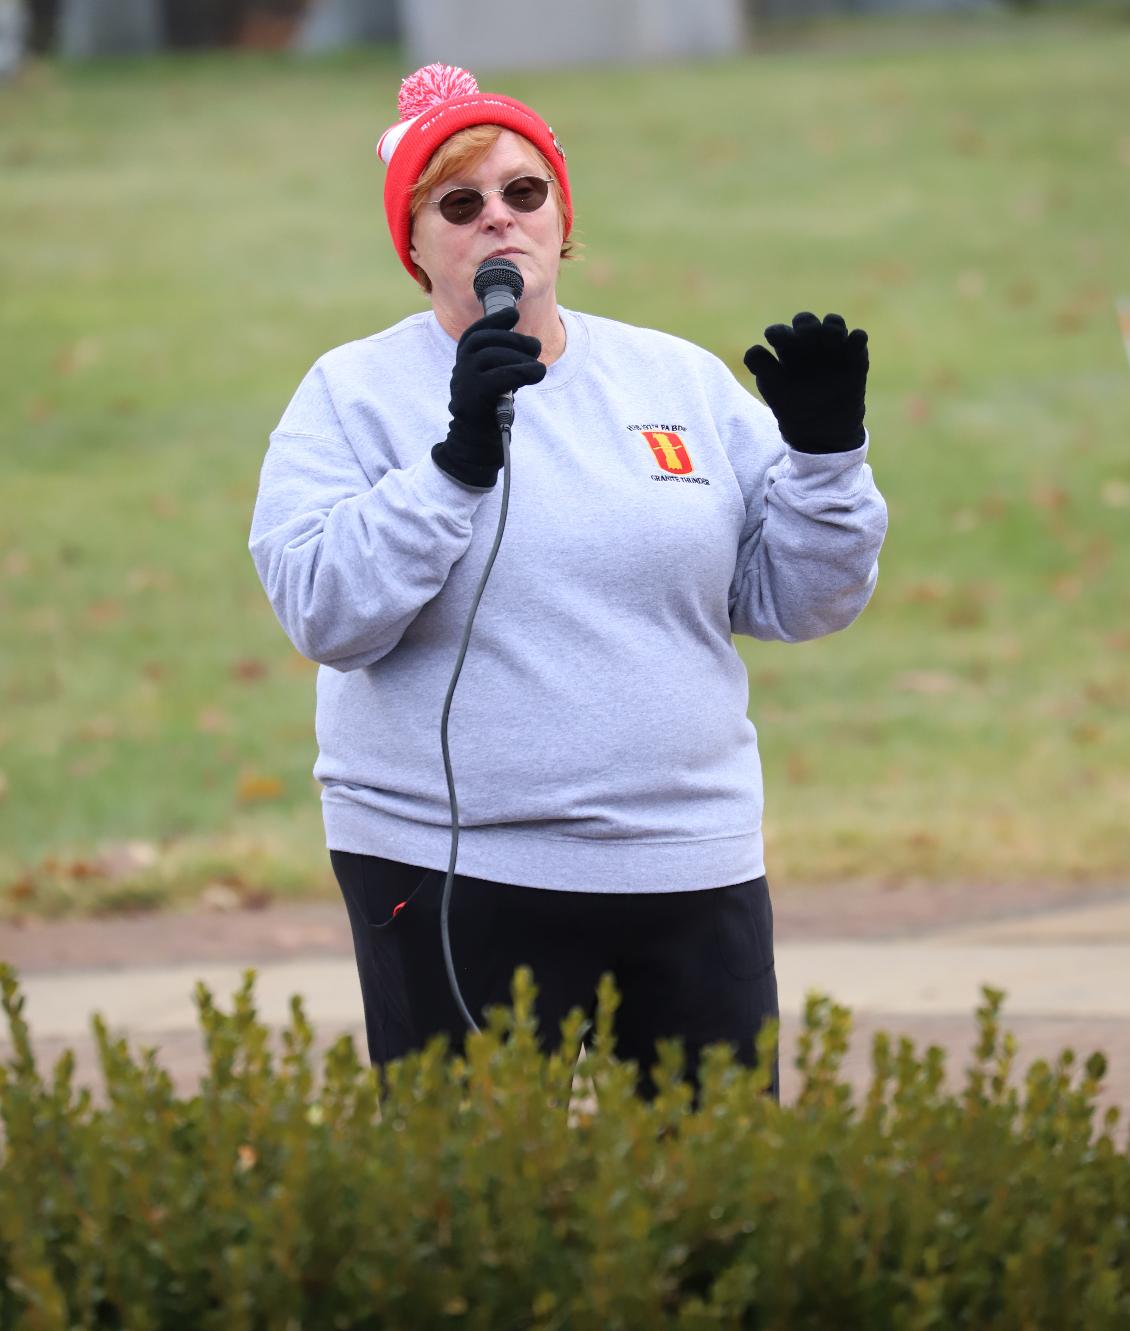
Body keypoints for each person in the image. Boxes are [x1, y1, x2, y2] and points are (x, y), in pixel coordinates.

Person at [248, 63, 888, 1103]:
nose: (497, 220)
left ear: (559, 217)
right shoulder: (351, 394)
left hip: (686, 858)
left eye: (522, 191)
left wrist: (823, 459)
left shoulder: (673, 380)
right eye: (459, 204)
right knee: (478, 1211)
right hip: (449, 868)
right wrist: (452, 463)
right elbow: (325, 612)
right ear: (414, 244)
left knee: (713, 1204)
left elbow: (798, 600)